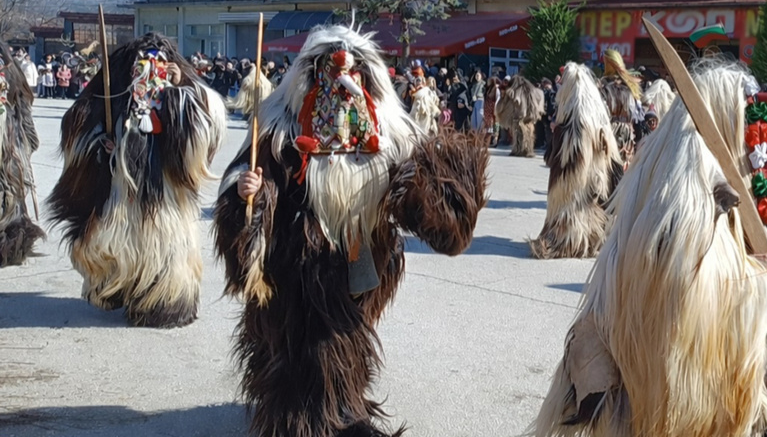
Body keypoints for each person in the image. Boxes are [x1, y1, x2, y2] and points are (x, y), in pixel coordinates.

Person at [535, 60, 767, 437]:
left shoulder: (710, 164)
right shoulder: (682, 180)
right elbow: (680, 288)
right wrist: (754, 275)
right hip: (671, 391)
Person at [216, 25, 489, 437]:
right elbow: (250, 176)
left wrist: (449, 200)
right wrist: (246, 193)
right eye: (328, 74)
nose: (340, 86)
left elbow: (417, 198)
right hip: (300, 259)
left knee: (345, 338)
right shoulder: (278, 129)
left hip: (358, 255)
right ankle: (307, 418)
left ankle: (338, 410)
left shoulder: (388, 135)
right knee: (304, 344)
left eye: (351, 76)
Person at [46, 33, 228, 327]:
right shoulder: (117, 99)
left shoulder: (179, 93)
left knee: (167, 248)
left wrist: (181, 86)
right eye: (141, 65)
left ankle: (167, 301)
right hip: (124, 190)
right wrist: (104, 145)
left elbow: (209, 123)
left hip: (167, 192)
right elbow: (80, 124)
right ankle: (120, 289)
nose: (148, 72)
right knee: (120, 243)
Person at [532, 62, 622, 260]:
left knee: (572, 209)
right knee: (592, 205)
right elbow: (615, 167)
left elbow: (552, 159)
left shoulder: (568, 127)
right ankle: (590, 240)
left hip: (569, 193)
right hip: (595, 187)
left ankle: (568, 241)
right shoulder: (601, 125)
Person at [0, 46, 42, 266]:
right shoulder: (13, 72)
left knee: (11, 194)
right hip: (12, 150)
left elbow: (24, 111)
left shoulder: (10, 74)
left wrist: (26, 143)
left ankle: (11, 243)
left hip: (10, 148)